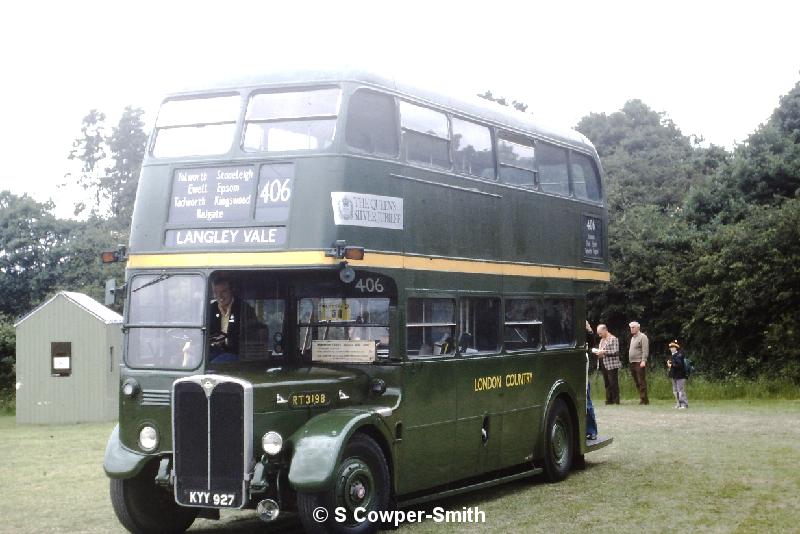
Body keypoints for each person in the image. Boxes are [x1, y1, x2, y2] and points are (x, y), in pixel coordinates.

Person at [208, 276, 262, 363]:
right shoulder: (210, 309)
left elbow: (252, 338)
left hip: (237, 354)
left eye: (223, 291)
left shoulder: (245, 309)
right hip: (214, 351)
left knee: (216, 363)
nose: (220, 296)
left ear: (231, 291)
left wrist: (226, 340)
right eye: (216, 292)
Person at [595, 324, 620, 405]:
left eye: (600, 333)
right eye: (598, 334)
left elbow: (616, 352)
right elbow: (601, 350)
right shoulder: (602, 340)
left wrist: (604, 353)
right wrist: (597, 352)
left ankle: (616, 400)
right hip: (603, 363)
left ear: (605, 330)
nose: (599, 335)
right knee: (606, 383)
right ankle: (609, 400)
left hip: (612, 364)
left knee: (613, 382)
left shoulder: (613, 339)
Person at [628, 321, 649, 405]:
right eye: (630, 327)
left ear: (638, 328)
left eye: (633, 327)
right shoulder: (633, 338)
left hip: (639, 362)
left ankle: (644, 400)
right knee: (636, 381)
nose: (631, 329)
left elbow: (645, 349)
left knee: (641, 381)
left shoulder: (643, 337)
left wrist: (643, 360)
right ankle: (641, 397)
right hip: (632, 362)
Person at [585, 321, 599, 440]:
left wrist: (589, 330)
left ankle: (591, 430)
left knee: (586, 398)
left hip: (582, 366)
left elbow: (592, 343)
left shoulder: (582, 324)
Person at [667, 340, 689, 409]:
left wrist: (671, 365)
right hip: (674, 375)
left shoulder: (679, 355)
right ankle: (678, 404)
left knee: (680, 391)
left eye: (673, 347)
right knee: (675, 391)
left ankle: (684, 405)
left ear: (676, 348)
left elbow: (679, 365)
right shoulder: (673, 355)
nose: (671, 348)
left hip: (680, 376)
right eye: (670, 347)